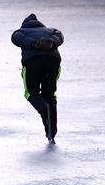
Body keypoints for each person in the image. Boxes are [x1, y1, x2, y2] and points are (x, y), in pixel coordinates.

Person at [10, 13, 64, 143]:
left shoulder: (21, 31)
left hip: (32, 62)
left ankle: (43, 109)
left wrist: (34, 44)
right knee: (50, 95)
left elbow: (15, 38)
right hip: (53, 61)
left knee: (30, 92)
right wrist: (50, 44)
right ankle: (51, 132)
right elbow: (60, 36)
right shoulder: (51, 31)